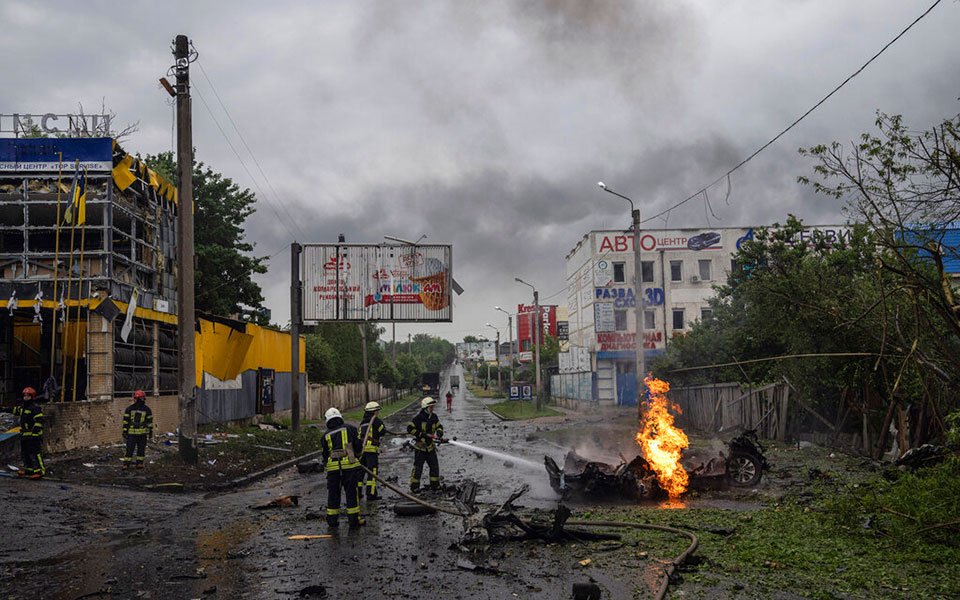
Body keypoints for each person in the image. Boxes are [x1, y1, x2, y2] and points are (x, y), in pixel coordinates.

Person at [321, 407, 364, 528]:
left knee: (333, 494)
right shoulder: (350, 429)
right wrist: (358, 456)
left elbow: (325, 454)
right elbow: (357, 445)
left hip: (333, 469)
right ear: (340, 417)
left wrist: (327, 465)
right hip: (349, 467)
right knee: (351, 493)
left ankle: (332, 521)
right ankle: (353, 520)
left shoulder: (325, 435)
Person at [407, 396, 444, 492]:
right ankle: (414, 487)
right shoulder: (418, 418)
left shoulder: (434, 417)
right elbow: (410, 429)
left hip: (430, 447)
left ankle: (435, 485)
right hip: (420, 448)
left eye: (433, 407)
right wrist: (421, 434)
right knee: (418, 468)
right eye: (431, 407)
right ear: (425, 408)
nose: (432, 408)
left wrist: (439, 432)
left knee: (434, 466)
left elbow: (439, 426)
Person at [358, 401, 387, 500]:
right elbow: (382, 431)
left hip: (362, 451)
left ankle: (358, 493)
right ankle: (371, 494)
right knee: (372, 472)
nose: (378, 412)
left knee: (360, 472)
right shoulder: (376, 421)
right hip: (371, 451)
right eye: (377, 410)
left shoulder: (362, 422)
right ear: (374, 411)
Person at [14, 387, 44, 478]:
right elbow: (14, 410)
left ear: (32, 397)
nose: (26, 397)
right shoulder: (23, 407)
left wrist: (35, 434)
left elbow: (39, 421)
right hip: (25, 434)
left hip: (33, 435)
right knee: (25, 453)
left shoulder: (35, 407)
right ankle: (29, 470)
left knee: (35, 453)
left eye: (28, 396)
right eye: (25, 396)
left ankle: (39, 471)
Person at [122, 390, 153, 470]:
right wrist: (150, 431)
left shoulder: (130, 409)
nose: (143, 399)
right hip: (139, 434)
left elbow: (126, 422)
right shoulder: (146, 409)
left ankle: (129, 464)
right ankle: (135, 463)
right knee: (137, 449)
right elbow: (126, 421)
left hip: (134, 434)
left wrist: (125, 431)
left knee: (133, 449)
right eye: (142, 398)